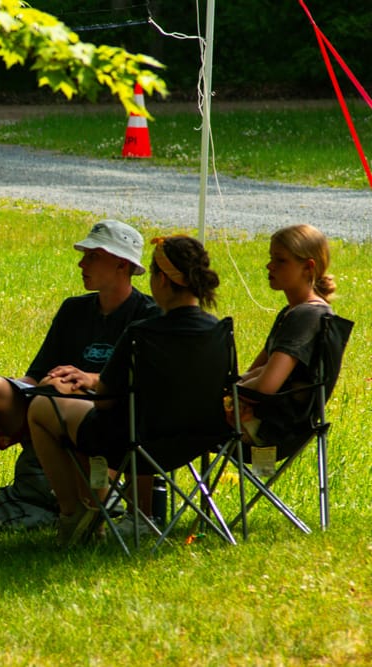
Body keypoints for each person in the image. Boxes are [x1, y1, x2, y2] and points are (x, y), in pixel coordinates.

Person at [0, 219, 160, 528]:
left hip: (107, 416)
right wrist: (19, 392)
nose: (81, 263)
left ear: (122, 265)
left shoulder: (147, 315)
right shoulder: (73, 309)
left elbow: (144, 386)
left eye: (92, 256)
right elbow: (36, 374)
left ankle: (89, 506)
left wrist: (88, 379)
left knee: (66, 393)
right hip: (48, 403)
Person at [26, 235, 221, 546]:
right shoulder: (218, 330)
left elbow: (105, 402)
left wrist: (75, 386)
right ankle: (134, 514)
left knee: (41, 406)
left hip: (134, 444)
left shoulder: (142, 332)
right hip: (196, 441)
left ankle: (75, 515)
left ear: (162, 280)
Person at [237, 224, 337, 458]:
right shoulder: (291, 312)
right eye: (271, 258)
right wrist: (235, 392)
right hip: (266, 417)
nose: (269, 266)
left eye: (280, 260)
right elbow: (256, 370)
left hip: (273, 429)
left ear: (308, 267)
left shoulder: (306, 316)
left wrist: (229, 393)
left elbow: (266, 385)